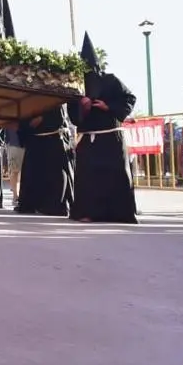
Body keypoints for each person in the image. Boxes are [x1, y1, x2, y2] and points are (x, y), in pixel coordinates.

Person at [69, 33, 138, 224]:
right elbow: (73, 116)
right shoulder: (76, 86)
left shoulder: (111, 80)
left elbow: (129, 99)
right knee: (88, 177)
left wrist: (109, 107)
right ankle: (88, 212)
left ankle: (119, 213)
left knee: (114, 176)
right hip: (89, 138)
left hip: (111, 138)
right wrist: (81, 107)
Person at [15, 106, 75, 217]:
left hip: (52, 140)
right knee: (32, 173)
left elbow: (58, 116)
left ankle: (53, 205)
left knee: (55, 175)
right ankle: (32, 203)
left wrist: (43, 118)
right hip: (35, 140)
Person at [4, 123, 25, 207]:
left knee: (22, 171)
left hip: (27, 141)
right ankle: (15, 196)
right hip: (14, 142)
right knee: (14, 170)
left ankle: (19, 195)